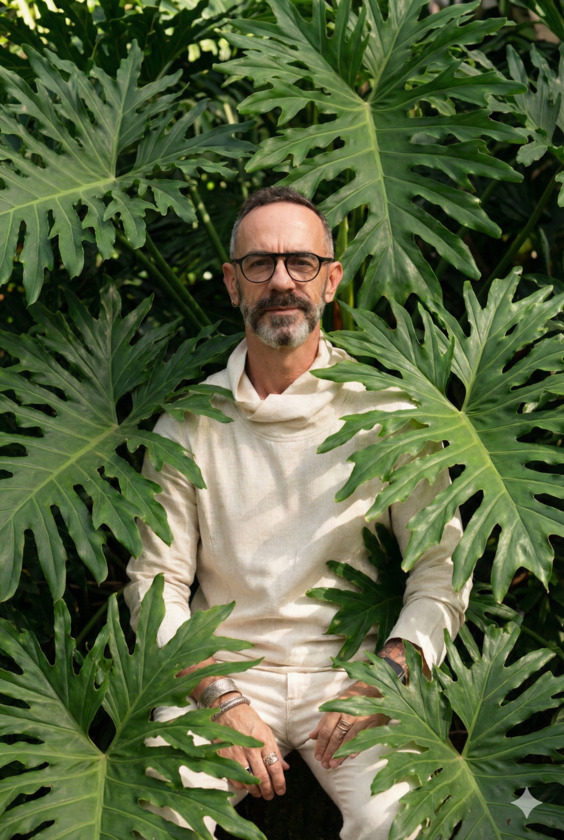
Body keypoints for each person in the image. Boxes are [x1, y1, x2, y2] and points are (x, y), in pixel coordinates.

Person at [125, 186, 470, 839]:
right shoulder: (188, 425)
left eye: (301, 263)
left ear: (331, 279)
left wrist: (387, 674)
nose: (281, 280)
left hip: (351, 673)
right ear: (232, 284)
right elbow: (155, 586)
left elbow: (441, 572)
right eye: (260, 264)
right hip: (223, 671)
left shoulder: (387, 417)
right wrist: (218, 697)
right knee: (157, 811)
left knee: (403, 819)